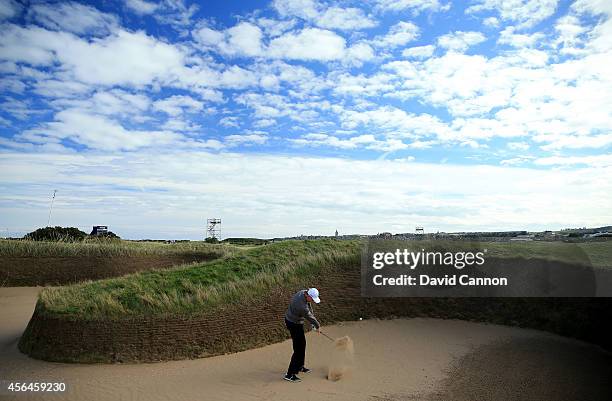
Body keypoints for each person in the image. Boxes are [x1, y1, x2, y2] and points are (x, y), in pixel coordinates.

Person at [283, 287, 321, 382]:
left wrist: (313, 324)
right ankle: (290, 374)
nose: (312, 301)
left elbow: (309, 307)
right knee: (298, 349)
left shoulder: (303, 292)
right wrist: (317, 326)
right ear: (308, 295)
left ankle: (300, 366)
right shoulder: (301, 306)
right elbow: (309, 316)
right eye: (312, 299)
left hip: (295, 321)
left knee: (302, 344)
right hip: (293, 323)